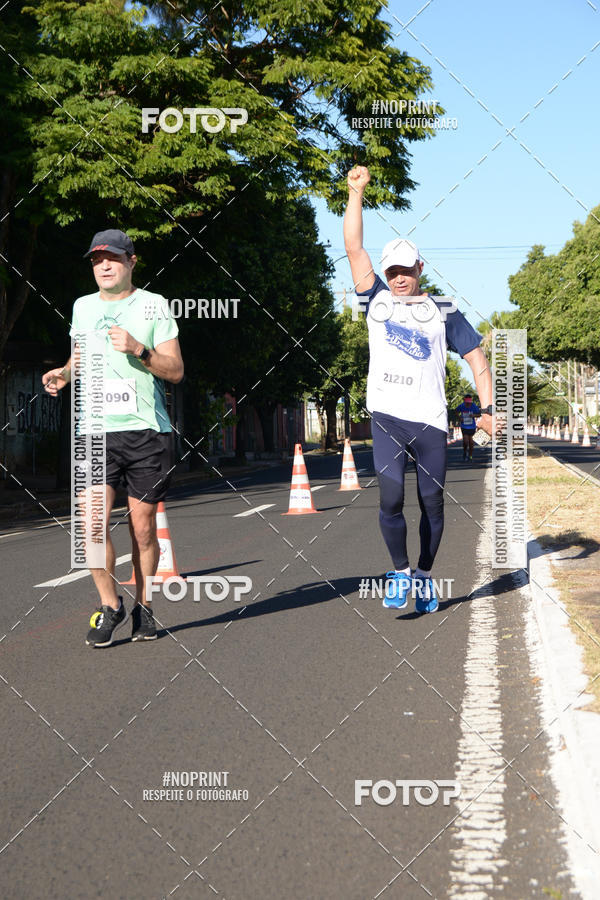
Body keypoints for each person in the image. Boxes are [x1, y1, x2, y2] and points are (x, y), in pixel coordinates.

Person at [343, 166, 493, 613]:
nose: (399, 277)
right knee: (391, 497)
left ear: (420, 268)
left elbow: (476, 359)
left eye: (406, 270)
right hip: (387, 417)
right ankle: (400, 571)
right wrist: (355, 193)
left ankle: (425, 574)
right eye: (392, 270)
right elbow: (353, 247)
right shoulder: (376, 299)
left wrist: (487, 408)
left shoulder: (443, 309)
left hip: (430, 420)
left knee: (432, 503)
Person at [43, 229, 184, 647]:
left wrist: (140, 349)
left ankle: (145, 607)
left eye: (112, 258)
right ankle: (111, 606)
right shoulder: (82, 308)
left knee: (142, 531)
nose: (103, 266)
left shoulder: (154, 306)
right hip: (94, 429)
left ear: (131, 262)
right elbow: (79, 358)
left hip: (144, 432)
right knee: (90, 527)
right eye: (96, 260)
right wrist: (63, 375)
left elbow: (175, 370)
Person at [455, 394, 481, 461]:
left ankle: (470, 456)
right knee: (466, 441)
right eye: (467, 403)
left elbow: (479, 414)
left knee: (471, 442)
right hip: (464, 426)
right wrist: (460, 417)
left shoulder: (474, 406)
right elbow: (456, 411)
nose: (468, 404)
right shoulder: (462, 406)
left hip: (472, 426)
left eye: (469, 402)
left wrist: (474, 415)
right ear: (464, 400)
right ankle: (465, 452)